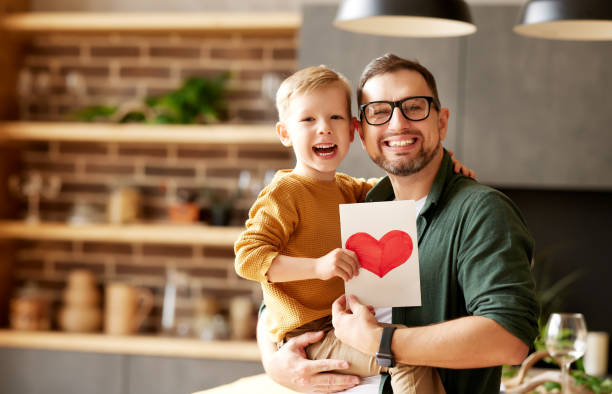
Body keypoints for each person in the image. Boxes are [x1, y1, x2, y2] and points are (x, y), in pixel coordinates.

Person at [257, 54, 539, 394]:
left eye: (415, 107)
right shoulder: (358, 203)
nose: (397, 124)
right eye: (379, 112)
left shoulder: (480, 211)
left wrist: (382, 340)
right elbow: (278, 292)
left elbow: (509, 339)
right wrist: (274, 361)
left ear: (442, 121)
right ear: (359, 132)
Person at [235, 65, 473, 393]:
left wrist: (443, 164)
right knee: (403, 354)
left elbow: (404, 182)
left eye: (336, 118)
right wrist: (318, 268)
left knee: (406, 346)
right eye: (308, 120)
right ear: (285, 133)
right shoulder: (284, 192)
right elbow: (248, 258)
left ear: (353, 131)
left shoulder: (348, 189)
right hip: (311, 336)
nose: (324, 129)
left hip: (341, 324)